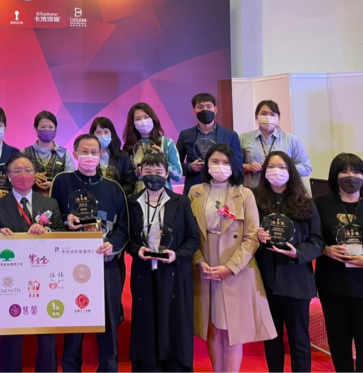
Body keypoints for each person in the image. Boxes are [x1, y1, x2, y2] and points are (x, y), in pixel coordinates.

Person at [188, 143, 276, 373]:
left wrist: (231, 267)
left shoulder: (245, 194)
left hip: (236, 266)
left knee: (231, 328)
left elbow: (252, 236)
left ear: (234, 166)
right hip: (205, 266)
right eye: (215, 161)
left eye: (226, 162)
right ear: (207, 165)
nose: (220, 167)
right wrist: (199, 261)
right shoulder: (195, 192)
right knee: (212, 326)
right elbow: (188, 233)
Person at [49, 134, 128, 373]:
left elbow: (124, 229)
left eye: (95, 152)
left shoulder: (114, 188)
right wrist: (66, 220)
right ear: (74, 154)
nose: (90, 157)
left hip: (106, 264)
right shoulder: (61, 182)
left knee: (109, 322)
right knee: (74, 321)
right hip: (72, 265)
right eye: (84, 152)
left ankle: (108, 369)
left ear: (101, 155)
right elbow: (51, 218)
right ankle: (71, 368)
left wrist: (112, 245)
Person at [0, 152, 64, 373]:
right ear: (8, 176)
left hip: (44, 276)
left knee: (47, 335)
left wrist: (48, 232)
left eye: (28, 170)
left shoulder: (50, 203)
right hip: (11, 279)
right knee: (12, 335)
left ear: (35, 174)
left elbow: (61, 235)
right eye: (17, 171)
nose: (23, 175)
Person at [127, 153, 199, 372]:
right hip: (144, 272)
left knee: (175, 325)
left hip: (174, 273)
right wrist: (136, 250)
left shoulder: (181, 202)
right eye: (148, 171)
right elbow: (127, 237)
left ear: (167, 174)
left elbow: (193, 239)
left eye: (158, 171)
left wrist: (177, 254)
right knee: (146, 325)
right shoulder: (132, 202)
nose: (153, 176)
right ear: (140, 173)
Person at [253, 151, 324, 373]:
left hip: (296, 282)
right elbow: (244, 237)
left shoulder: (305, 203)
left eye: (282, 167)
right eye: (271, 167)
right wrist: (256, 237)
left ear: (291, 171)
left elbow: (317, 242)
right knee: (271, 339)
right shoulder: (254, 200)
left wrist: (298, 253)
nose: (277, 172)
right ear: (264, 172)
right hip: (266, 282)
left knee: (299, 340)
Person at [313, 153, 363, 372]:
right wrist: (326, 249)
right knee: (338, 340)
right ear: (334, 175)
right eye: (344, 171)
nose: (351, 176)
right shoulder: (319, 204)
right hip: (333, 284)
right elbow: (312, 238)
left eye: (357, 171)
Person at [176, 93, 242, 195]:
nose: (205, 110)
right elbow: (175, 165)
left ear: (215, 109)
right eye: (200, 107)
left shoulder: (230, 135)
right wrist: (190, 167)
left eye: (208, 106)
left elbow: (237, 164)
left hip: (224, 187)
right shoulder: (185, 135)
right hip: (194, 188)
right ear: (194, 111)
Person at [239, 100, 312, 189]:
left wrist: (283, 169)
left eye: (272, 114)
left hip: (284, 191)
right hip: (253, 190)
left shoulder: (291, 140)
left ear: (278, 117)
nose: (268, 117)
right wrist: (248, 167)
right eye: (264, 114)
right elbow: (233, 165)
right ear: (256, 116)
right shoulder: (243, 138)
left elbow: (306, 167)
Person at [122, 102, 183, 193]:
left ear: (153, 118)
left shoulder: (167, 143)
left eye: (146, 117)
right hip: (138, 196)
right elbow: (126, 179)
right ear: (133, 123)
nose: (143, 121)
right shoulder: (129, 147)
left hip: (164, 195)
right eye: (138, 119)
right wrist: (137, 173)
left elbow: (178, 176)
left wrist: (162, 159)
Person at [23, 110, 75, 197]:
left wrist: (54, 185)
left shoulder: (64, 154)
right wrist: (30, 177)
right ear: (36, 129)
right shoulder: (25, 152)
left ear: (55, 130)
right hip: (31, 200)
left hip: (57, 201)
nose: (47, 130)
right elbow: (16, 177)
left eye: (51, 127)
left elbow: (71, 182)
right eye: (43, 127)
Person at [89, 116, 135, 196]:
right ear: (92, 135)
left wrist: (114, 194)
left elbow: (130, 184)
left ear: (112, 134)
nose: (102, 135)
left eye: (106, 132)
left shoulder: (122, 156)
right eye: (98, 132)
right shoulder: (87, 156)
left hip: (116, 199)